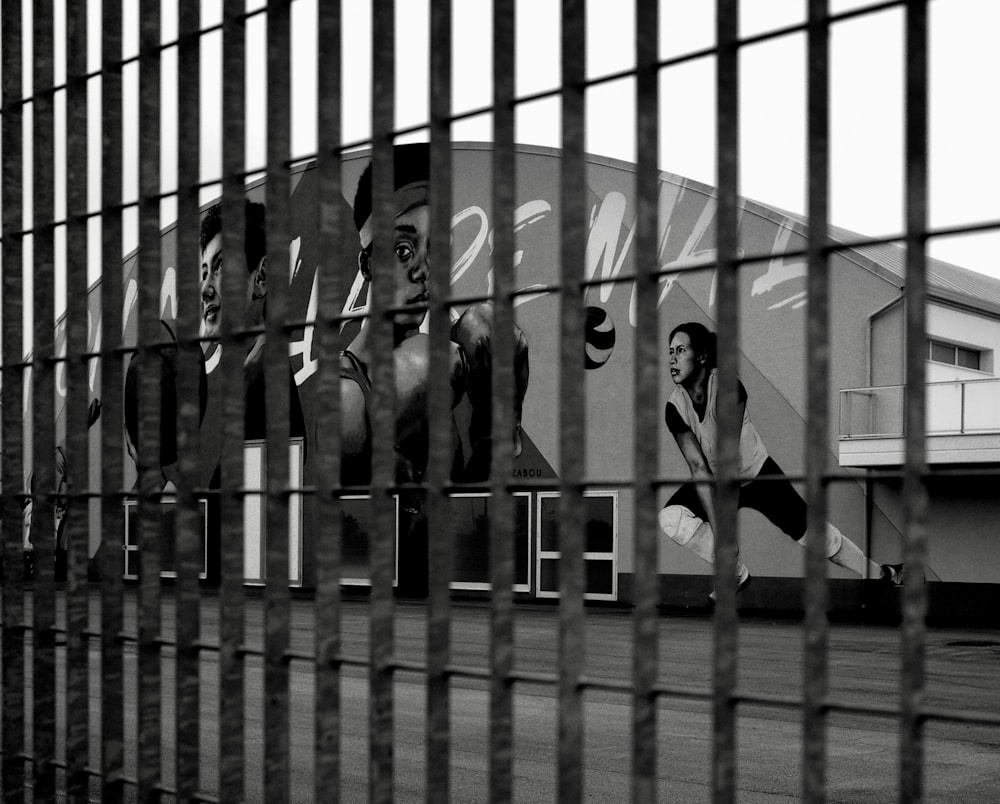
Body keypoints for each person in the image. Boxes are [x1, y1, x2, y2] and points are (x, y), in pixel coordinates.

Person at [658, 321, 903, 602]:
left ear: (700, 356)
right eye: (670, 352)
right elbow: (699, 468)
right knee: (671, 517)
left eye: (680, 350)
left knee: (821, 540)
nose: (672, 359)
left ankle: (883, 573)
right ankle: (736, 574)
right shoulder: (674, 407)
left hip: (759, 474)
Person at [341, 142, 529, 495]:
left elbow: (468, 510)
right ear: (368, 265)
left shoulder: (452, 363)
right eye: (403, 251)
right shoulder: (347, 394)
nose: (423, 271)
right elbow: (355, 530)